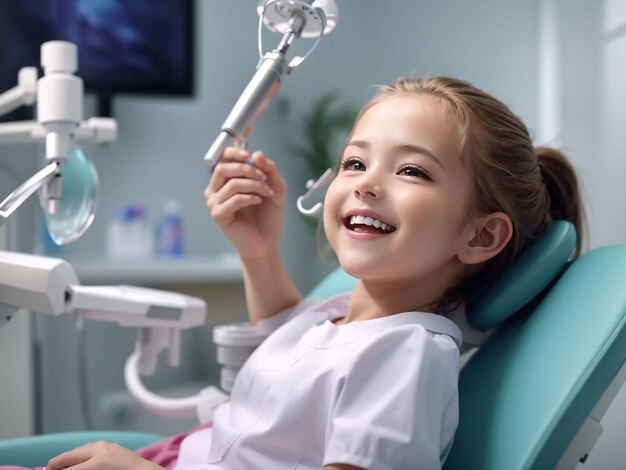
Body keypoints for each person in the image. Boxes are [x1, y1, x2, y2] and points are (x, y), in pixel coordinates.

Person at [8, 76, 583, 470]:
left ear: (480, 235)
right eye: (355, 161)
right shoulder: (345, 310)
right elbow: (289, 335)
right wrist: (258, 250)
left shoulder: (405, 355)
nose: (365, 182)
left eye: (412, 170)